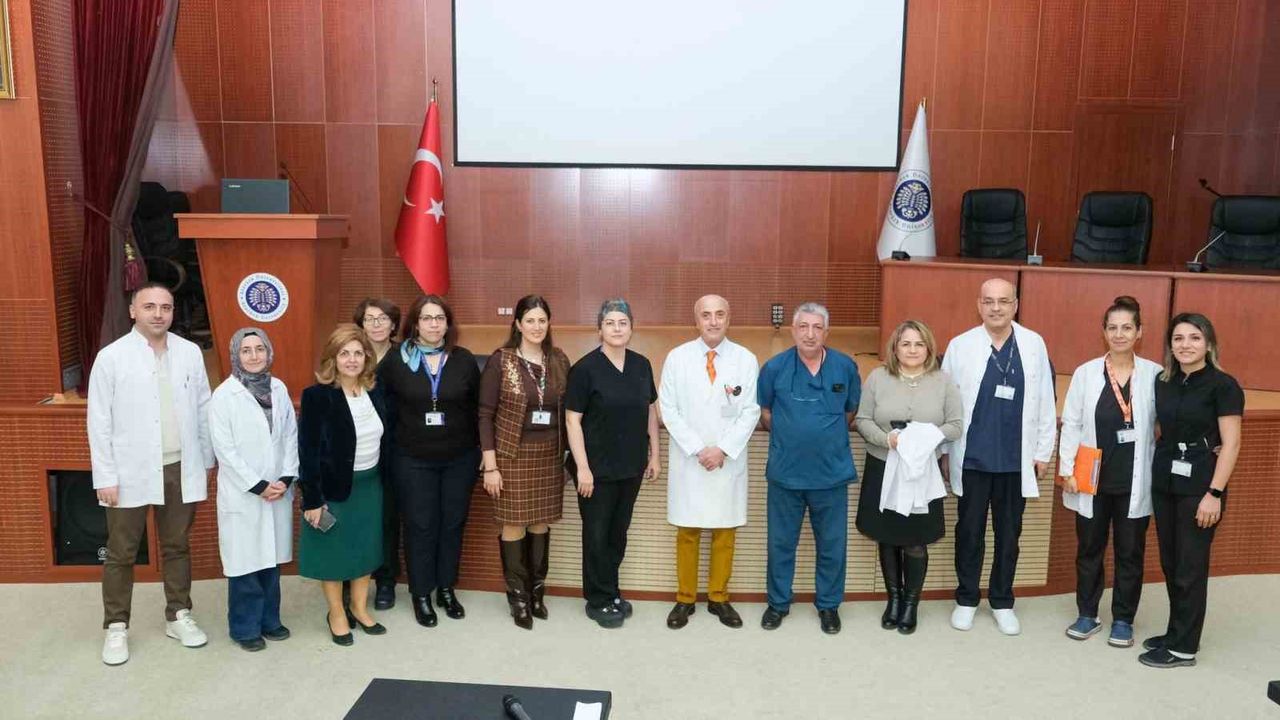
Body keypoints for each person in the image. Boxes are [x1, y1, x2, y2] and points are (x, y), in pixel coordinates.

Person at [88, 282, 215, 666]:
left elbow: (204, 408)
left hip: (180, 465)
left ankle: (178, 615)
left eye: (166, 307)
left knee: (176, 545)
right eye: (149, 307)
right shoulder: (111, 357)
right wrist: (105, 476)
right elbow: (98, 421)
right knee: (121, 551)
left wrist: (206, 461)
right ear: (133, 311)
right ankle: (116, 626)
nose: (158, 314)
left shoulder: (190, 353)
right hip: (130, 471)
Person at [941, 278, 1056, 636]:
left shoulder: (1034, 343)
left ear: (1015, 305)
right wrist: (944, 451)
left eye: (1003, 301)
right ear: (978, 305)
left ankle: (1002, 601)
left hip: (1015, 460)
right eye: (989, 301)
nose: (995, 308)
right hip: (973, 458)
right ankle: (966, 599)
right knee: (969, 532)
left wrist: (1042, 451)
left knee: (1009, 535)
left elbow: (1045, 399)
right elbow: (946, 403)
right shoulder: (960, 345)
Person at [1056, 296, 1161, 648]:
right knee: (1089, 550)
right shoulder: (1086, 373)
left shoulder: (1154, 374)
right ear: (1103, 332)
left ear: (1139, 332)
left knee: (1130, 553)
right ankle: (1087, 614)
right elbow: (1072, 423)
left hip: (1134, 482)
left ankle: (1123, 619)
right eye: (1113, 328)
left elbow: (1171, 419)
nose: (1119, 334)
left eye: (1127, 328)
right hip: (1092, 479)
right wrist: (1067, 469)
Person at [1140, 313, 1242, 669]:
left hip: (1201, 486)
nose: (1186, 345)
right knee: (1171, 562)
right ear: (1170, 345)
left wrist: (1214, 493)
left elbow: (1231, 444)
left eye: (1195, 338)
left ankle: (1184, 648)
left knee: (1191, 566)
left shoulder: (1224, 386)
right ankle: (1175, 632)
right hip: (1166, 481)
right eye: (1178, 338)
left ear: (1209, 344)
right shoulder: (1164, 382)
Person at [758, 302, 861, 635]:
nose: (810, 334)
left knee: (832, 546)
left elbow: (850, 412)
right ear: (793, 330)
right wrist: (793, 436)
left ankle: (828, 606)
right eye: (803, 326)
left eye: (817, 327)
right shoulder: (774, 368)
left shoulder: (845, 367)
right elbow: (766, 413)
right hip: (786, 474)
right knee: (780, 544)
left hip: (830, 475)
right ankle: (778, 603)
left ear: (826, 332)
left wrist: (822, 436)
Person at [378, 295, 481, 628]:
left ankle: (446, 589)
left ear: (448, 324)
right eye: (427, 318)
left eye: (439, 318)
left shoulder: (463, 360)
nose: (434, 324)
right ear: (415, 324)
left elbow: (478, 409)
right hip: (412, 459)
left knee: (452, 524)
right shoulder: (396, 361)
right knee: (420, 526)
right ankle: (421, 593)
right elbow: (383, 409)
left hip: (459, 459)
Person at [658, 294, 760, 630]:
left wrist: (723, 450)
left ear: (729, 318)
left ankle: (719, 597)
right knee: (687, 531)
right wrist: (698, 448)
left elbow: (751, 411)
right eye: (706, 315)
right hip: (690, 459)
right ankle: (685, 599)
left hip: (726, 460)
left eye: (719, 314)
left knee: (724, 531)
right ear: (696, 320)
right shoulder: (677, 358)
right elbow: (667, 409)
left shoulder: (745, 359)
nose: (713, 321)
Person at [855, 319, 961, 634]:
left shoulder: (944, 382)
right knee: (887, 536)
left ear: (928, 348)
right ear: (895, 348)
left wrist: (925, 439)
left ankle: (911, 603)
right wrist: (887, 440)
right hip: (883, 465)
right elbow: (863, 419)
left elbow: (956, 425)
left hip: (922, 472)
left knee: (915, 540)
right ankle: (894, 599)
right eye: (905, 344)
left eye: (919, 344)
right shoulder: (878, 377)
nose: (912, 350)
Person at [565, 298, 661, 628]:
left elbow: (650, 411)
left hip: (631, 466)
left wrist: (655, 454)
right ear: (599, 330)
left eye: (623, 323)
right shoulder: (584, 369)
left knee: (617, 534)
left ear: (632, 328)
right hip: (596, 470)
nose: (617, 329)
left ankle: (611, 591)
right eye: (610, 323)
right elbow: (572, 420)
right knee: (596, 535)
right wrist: (582, 468)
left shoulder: (641, 365)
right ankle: (598, 599)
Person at [479, 295, 571, 629]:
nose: (536, 327)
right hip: (511, 457)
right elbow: (485, 414)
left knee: (541, 523)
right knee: (514, 524)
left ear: (549, 323)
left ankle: (536, 593)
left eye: (542, 320)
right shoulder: (500, 361)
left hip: (549, 457)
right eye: (530, 320)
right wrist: (491, 466)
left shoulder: (559, 360)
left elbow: (571, 411)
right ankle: (517, 598)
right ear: (517, 324)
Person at [298, 324, 390, 646]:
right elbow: (308, 452)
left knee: (365, 548)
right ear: (332, 359)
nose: (352, 360)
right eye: (344, 353)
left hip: (370, 485)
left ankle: (359, 608)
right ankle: (336, 613)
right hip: (334, 489)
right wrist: (312, 499)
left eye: (358, 353)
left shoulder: (375, 391)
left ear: (367, 358)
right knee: (334, 554)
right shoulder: (317, 396)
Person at [208, 328, 298, 652]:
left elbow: (290, 435)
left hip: (277, 490)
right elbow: (225, 451)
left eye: (259, 348)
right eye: (246, 350)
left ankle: (270, 621)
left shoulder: (278, 388)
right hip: (244, 494)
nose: (254, 355)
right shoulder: (224, 396)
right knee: (245, 564)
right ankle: (244, 628)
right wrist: (258, 486)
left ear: (268, 352)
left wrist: (286, 477)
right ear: (236, 355)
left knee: (271, 561)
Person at [353, 297, 404, 609]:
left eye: (383, 318)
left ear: (393, 324)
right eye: (370, 318)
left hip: (395, 449)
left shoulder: (406, 357)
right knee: (357, 517)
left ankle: (386, 580)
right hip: (358, 450)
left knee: (387, 517)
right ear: (361, 324)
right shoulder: (351, 355)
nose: (376, 324)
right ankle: (352, 578)